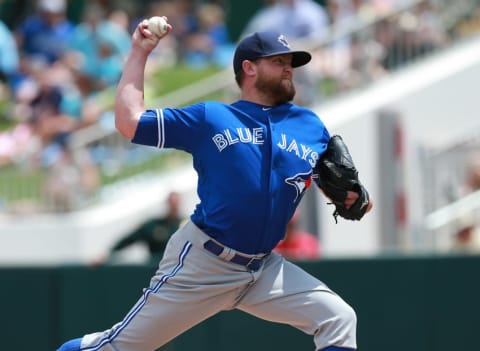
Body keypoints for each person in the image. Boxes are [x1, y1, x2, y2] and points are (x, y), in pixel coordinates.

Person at [57, 18, 373, 351]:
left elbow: (331, 181)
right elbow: (128, 122)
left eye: (290, 63)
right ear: (248, 68)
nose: (288, 69)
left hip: (264, 268)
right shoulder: (211, 117)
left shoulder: (309, 125)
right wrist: (139, 51)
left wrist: (355, 199)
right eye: (278, 61)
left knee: (338, 318)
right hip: (204, 263)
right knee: (113, 347)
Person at [95, 191, 184, 264]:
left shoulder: (186, 226)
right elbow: (129, 239)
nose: (174, 207)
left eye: (176, 203)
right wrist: (108, 254)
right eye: (172, 203)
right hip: (157, 271)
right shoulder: (154, 225)